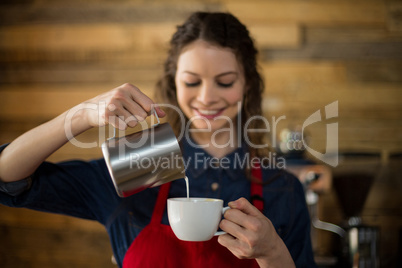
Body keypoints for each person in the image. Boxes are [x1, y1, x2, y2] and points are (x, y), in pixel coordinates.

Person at [0, 12, 316, 267]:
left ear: (247, 85)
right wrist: (81, 114)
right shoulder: (140, 164)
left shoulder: (282, 187)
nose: (207, 97)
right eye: (192, 81)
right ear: (174, 82)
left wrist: (273, 252)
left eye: (225, 81)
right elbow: (8, 180)